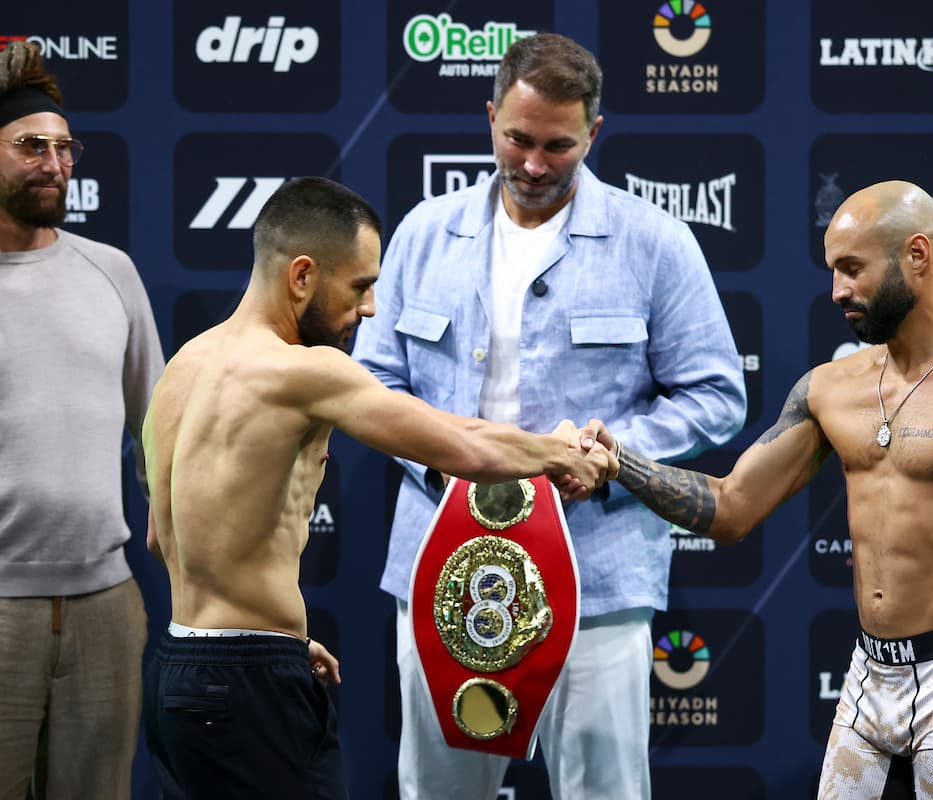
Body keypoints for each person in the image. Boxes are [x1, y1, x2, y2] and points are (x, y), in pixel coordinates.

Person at [583, 181, 933, 799]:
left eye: (852, 269)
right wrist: (620, 465)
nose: (837, 291)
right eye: (833, 271)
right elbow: (732, 507)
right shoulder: (830, 389)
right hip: (867, 673)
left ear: (917, 256)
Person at [353, 32, 746, 800]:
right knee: (438, 790)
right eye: (518, 140)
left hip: (597, 570)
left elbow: (717, 394)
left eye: (558, 147)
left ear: (594, 133)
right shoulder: (423, 235)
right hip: (441, 568)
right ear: (490, 115)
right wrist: (444, 457)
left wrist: (614, 455)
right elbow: (369, 382)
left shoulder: (655, 242)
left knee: (603, 790)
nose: (533, 165)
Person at [140, 176, 613, 798]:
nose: (367, 309)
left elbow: (160, 537)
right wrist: (558, 452)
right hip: (248, 690)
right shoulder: (305, 371)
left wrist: (271, 639)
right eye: (360, 286)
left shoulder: (184, 366)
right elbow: (461, 443)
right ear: (302, 276)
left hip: (178, 675)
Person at [0, 41, 165, 800]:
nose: (55, 164)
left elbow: (158, 437)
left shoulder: (113, 272)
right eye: (32, 146)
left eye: (65, 148)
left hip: (107, 606)